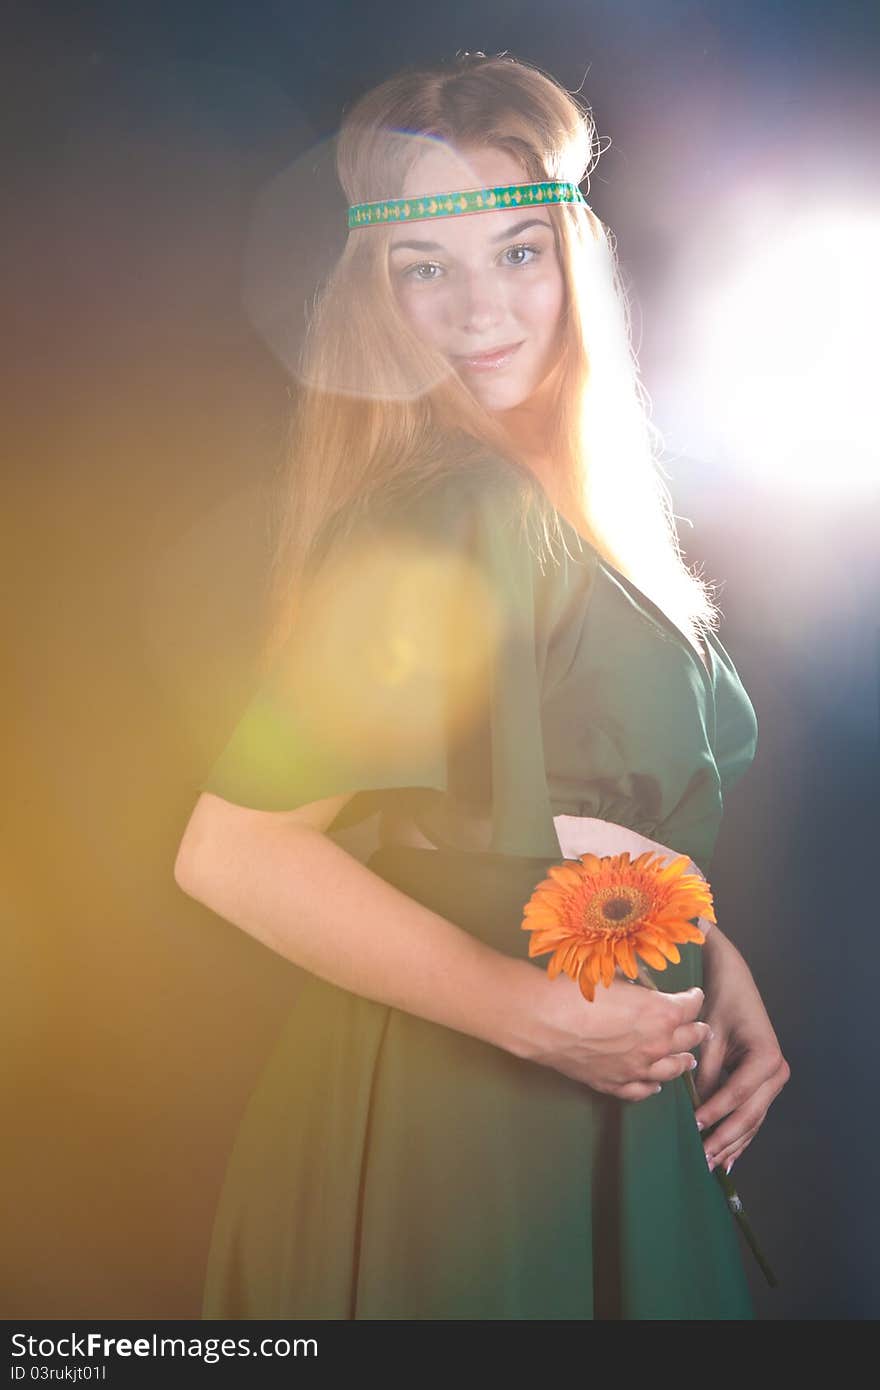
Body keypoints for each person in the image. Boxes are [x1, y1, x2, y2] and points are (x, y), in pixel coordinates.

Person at [174, 52, 790, 1320]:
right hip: (468, 1124)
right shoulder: (445, 508)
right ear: (372, 295)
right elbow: (234, 852)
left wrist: (704, 947)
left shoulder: (563, 513)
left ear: (575, 262)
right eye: (425, 269)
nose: (479, 310)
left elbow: (535, 805)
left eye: (517, 251)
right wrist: (536, 1018)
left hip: (586, 1084)